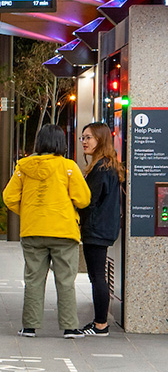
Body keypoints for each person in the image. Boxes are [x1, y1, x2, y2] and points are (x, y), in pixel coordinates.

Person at [3, 123, 91, 338]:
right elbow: (83, 199)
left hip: (33, 231)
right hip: (63, 231)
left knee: (33, 279)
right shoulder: (68, 167)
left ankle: (30, 327)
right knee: (65, 280)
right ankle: (70, 327)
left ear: (39, 142)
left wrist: (29, 211)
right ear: (61, 143)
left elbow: (9, 198)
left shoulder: (24, 167)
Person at [78, 121, 123, 336]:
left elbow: (89, 200)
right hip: (103, 227)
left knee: (97, 276)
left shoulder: (101, 168)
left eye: (89, 137)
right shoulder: (108, 164)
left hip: (96, 228)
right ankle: (100, 322)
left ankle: (100, 325)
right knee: (98, 275)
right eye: (83, 137)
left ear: (100, 139)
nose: (84, 141)